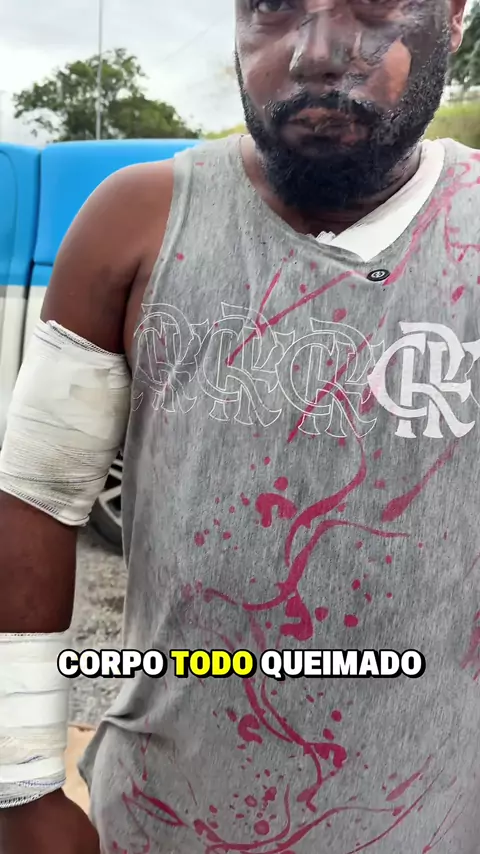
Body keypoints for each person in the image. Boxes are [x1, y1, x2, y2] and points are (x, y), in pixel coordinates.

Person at [0, 0, 478, 852]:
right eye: (271, 7)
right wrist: (22, 782)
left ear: (453, 16)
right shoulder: (135, 225)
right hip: (160, 822)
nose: (315, 51)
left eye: (372, 3)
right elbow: (34, 496)